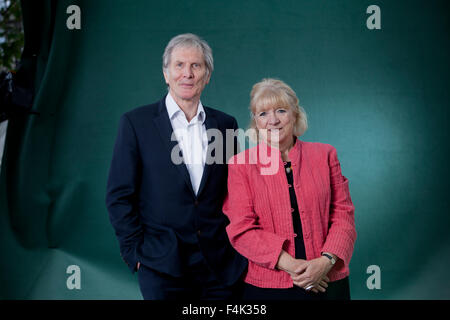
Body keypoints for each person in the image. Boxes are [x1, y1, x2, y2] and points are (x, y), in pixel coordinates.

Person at [106, 33, 247, 300]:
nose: (188, 74)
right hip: (161, 265)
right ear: (166, 73)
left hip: (219, 266)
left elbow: (233, 192)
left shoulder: (226, 124)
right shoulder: (136, 123)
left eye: (196, 66)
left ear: (207, 75)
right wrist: (134, 252)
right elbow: (118, 195)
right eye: (179, 65)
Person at [223, 78, 356, 300]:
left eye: (281, 110)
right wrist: (293, 267)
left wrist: (325, 263)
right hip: (269, 288)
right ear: (255, 121)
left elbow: (343, 215)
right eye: (263, 114)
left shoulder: (325, 155)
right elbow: (241, 229)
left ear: (295, 114)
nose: (272, 120)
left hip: (327, 281)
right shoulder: (241, 165)